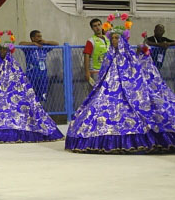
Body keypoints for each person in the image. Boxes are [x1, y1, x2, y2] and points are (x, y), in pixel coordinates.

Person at [66, 16, 175, 154]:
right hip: (108, 88)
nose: (114, 41)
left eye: (117, 38)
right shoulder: (106, 53)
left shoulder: (128, 55)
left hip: (128, 90)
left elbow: (135, 68)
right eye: (113, 38)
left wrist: (143, 52)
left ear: (122, 39)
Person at [19, 30, 58, 103]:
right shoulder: (28, 48)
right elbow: (20, 43)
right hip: (31, 76)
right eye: (38, 36)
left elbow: (56, 44)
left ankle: (40, 112)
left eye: (41, 36)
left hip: (43, 76)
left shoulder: (43, 47)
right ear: (32, 38)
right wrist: (33, 44)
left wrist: (46, 42)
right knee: (30, 97)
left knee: (42, 97)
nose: (40, 38)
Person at [83, 18, 108, 86]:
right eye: (95, 26)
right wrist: (87, 72)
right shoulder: (91, 41)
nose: (97, 27)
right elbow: (86, 57)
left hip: (108, 70)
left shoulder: (108, 39)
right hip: (96, 72)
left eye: (99, 25)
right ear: (92, 28)